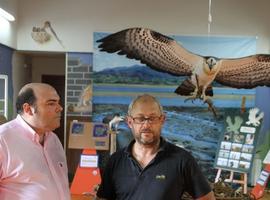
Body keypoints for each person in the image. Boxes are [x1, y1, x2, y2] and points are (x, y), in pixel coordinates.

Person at [96, 94, 215, 200]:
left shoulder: (182, 160)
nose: (146, 125)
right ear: (129, 122)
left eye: (152, 118)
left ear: (162, 120)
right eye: (140, 118)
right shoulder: (116, 161)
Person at [0, 83, 70, 200]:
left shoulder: (53, 139)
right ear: (28, 109)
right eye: (51, 103)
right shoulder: (3, 140)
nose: (60, 108)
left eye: (58, 102)